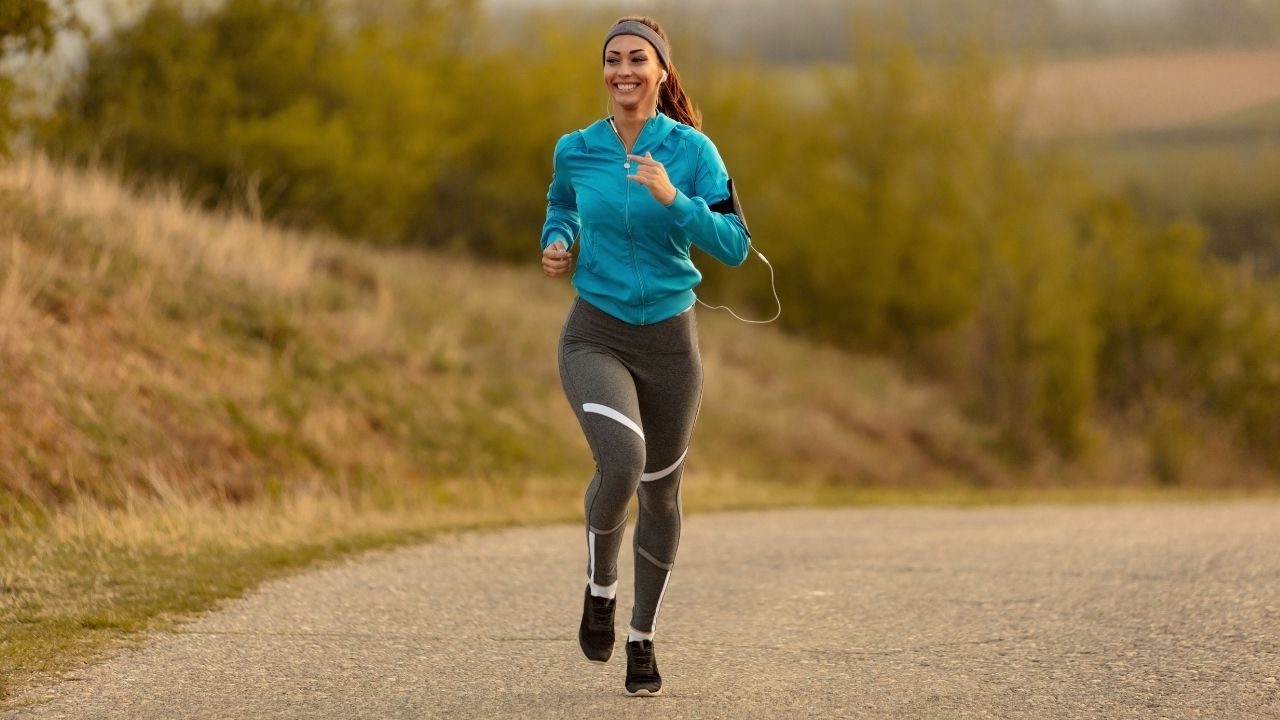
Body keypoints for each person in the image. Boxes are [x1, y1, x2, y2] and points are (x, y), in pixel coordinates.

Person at [539, 15, 751, 697]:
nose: (623, 71)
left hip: (670, 343)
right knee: (622, 462)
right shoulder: (576, 148)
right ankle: (600, 585)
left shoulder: (694, 152)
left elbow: (735, 244)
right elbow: (561, 206)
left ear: (661, 71)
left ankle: (642, 637)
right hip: (594, 332)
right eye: (612, 60)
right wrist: (558, 240)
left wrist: (675, 199)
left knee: (661, 492)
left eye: (637, 59)